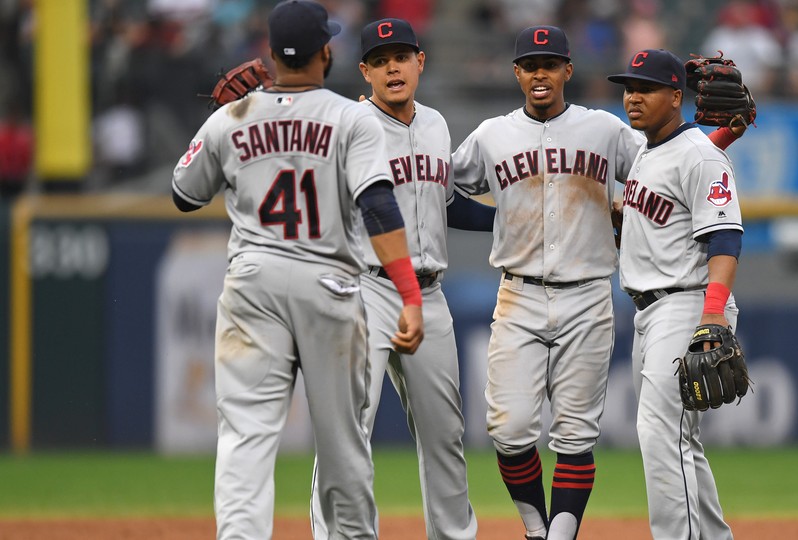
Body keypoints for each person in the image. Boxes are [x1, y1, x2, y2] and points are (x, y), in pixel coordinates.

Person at [450, 26, 743, 540]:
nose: (539, 72)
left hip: (619, 296)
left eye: (551, 62)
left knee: (623, 434)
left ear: (568, 70)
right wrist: (498, 221)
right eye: (529, 63)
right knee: (513, 429)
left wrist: (719, 138)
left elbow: (686, 175)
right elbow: (661, 175)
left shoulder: (610, 133)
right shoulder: (494, 134)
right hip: (539, 293)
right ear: (516, 72)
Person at [170, 2, 424, 539]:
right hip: (327, 283)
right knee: (341, 441)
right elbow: (379, 207)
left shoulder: (231, 117)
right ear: (326, 52)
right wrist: (410, 296)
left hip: (253, 283)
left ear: (270, 54)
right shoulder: (352, 117)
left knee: (245, 435)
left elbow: (183, 194)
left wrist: (229, 120)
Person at [309, 17, 494, 540]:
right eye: (382, 59)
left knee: (445, 433)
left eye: (403, 55)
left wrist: (513, 219)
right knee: (348, 429)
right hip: (363, 287)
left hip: (429, 293)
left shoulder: (435, 124)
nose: (394, 66)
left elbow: (449, 202)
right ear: (364, 70)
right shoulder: (345, 127)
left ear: (420, 62)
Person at [607, 48, 744, 539]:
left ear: (676, 96)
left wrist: (712, 317)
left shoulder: (700, 155)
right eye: (629, 88)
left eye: (645, 88)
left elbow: (725, 238)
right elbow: (681, 179)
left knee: (659, 433)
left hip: (687, 303)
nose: (633, 97)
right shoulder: (652, 148)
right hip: (649, 309)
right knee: (679, 439)